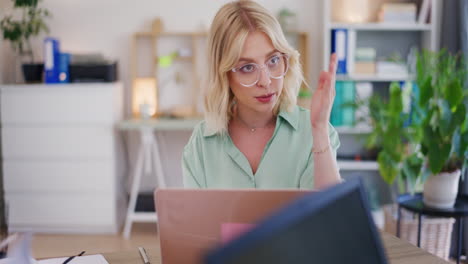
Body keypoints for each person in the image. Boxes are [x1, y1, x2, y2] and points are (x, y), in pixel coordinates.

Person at [182, 0, 341, 189]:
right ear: (223, 75)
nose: (265, 81)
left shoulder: (315, 132)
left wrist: (320, 131)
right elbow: (196, 218)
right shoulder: (201, 143)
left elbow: (330, 214)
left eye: (273, 60)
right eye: (247, 67)